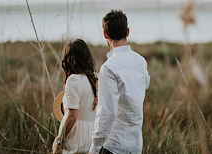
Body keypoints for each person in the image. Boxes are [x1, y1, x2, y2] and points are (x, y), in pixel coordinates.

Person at [91, 10, 150, 154]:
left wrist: (95, 148)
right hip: (136, 145)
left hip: (113, 146)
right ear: (128, 31)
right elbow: (144, 85)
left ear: (105, 34)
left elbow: (107, 113)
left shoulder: (108, 68)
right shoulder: (141, 61)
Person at [52, 39, 99, 154]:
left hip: (76, 139)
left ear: (69, 60)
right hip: (92, 136)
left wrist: (59, 141)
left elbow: (72, 116)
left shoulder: (73, 80)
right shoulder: (96, 78)